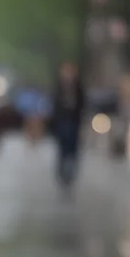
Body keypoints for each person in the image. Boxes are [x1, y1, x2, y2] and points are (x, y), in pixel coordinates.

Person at [50, 60, 86, 188]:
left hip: (74, 121)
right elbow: (55, 105)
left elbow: (83, 104)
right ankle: (62, 173)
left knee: (73, 148)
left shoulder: (78, 87)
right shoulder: (59, 87)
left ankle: (71, 173)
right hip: (62, 121)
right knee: (63, 148)